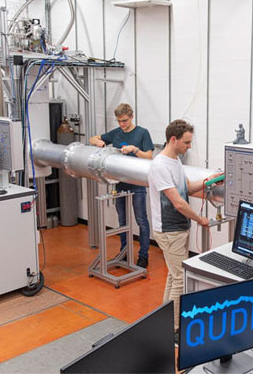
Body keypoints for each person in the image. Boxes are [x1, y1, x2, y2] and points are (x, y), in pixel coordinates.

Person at [148, 119, 223, 330]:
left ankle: (164, 320)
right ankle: (173, 329)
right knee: (181, 278)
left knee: (174, 275)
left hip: (179, 228)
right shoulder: (160, 166)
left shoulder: (175, 161)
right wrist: (200, 220)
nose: (189, 146)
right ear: (173, 140)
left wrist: (209, 181)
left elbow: (188, 188)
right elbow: (179, 203)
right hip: (169, 230)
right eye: (187, 142)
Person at [89, 103, 154, 268]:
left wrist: (135, 150)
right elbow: (93, 138)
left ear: (132, 116)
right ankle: (124, 252)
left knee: (141, 221)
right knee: (123, 220)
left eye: (124, 120)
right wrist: (99, 143)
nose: (122, 124)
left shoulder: (142, 133)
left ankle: (143, 256)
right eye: (119, 121)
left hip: (137, 184)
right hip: (119, 184)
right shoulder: (116, 133)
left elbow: (149, 157)